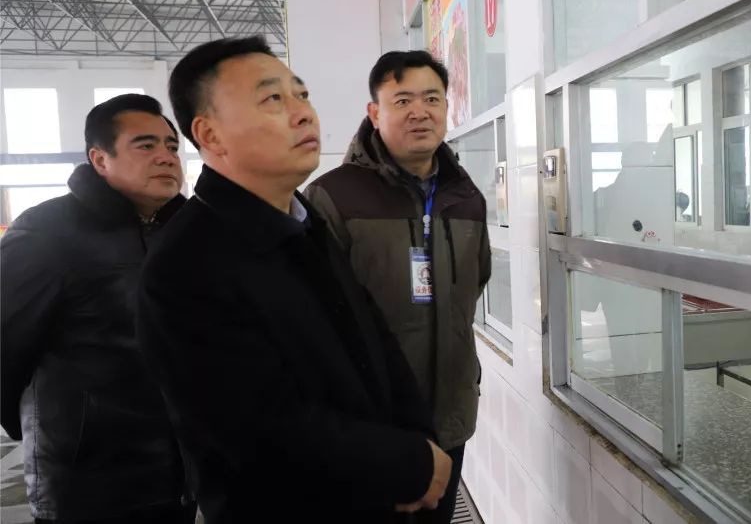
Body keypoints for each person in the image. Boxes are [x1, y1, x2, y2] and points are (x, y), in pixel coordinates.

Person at [135, 36, 450, 523]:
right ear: (211, 135)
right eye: (272, 99)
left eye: (301, 95)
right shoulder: (185, 264)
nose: (304, 113)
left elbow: (375, 342)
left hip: (381, 492)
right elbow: (260, 431)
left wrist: (420, 441)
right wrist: (407, 464)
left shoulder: (302, 222)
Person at [304, 50, 490, 524]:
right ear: (374, 112)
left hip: (449, 413)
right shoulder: (333, 196)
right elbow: (313, 316)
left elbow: (476, 282)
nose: (419, 112)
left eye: (432, 98)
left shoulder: (466, 197)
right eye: (402, 100)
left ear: (447, 107)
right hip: (371, 424)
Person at [1, 94, 191, 524]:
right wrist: (45, 431)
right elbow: (5, 344)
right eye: (146, 145)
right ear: (100, 159)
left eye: (171, 146)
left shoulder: (184, 231)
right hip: (87, 479)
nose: (166, 157)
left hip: (179, 473)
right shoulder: (48, 231)